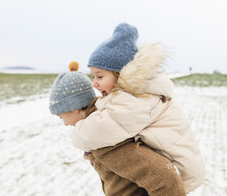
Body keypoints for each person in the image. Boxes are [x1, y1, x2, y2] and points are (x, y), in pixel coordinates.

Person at [71, 23, 205, 193]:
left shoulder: (136, 99)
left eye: (100, 76)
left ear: (120, 75)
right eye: (92, 76)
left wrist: (78, 130)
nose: (94, 82)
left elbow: (102, 129)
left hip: (174, 173)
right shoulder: (138, 93)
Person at [48, 63, 186, 196]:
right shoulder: (99, 127)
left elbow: (166, 178)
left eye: (61, 117)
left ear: (75, 108)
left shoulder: (102, 137)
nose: (64, 124)